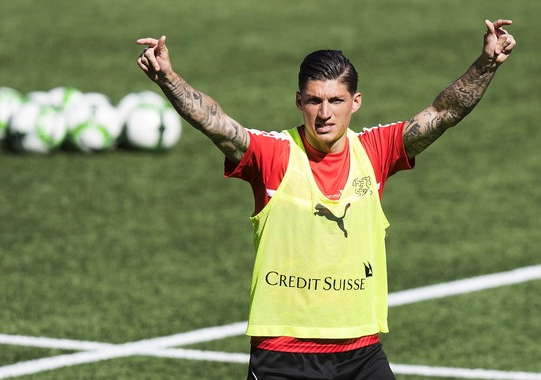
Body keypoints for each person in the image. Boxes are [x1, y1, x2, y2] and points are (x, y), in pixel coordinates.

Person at [136, 19, 516, 380]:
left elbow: (444, 112)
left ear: (356, 102)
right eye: (314, 101)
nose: (324, 113)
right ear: (299, 101)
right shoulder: (274, 155)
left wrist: (486, 64)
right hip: (283, 353)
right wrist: (169, 79)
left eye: (336, 100)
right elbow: (216, 124)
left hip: (361, 349)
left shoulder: (375, 151)